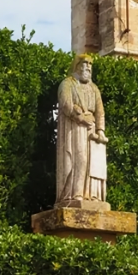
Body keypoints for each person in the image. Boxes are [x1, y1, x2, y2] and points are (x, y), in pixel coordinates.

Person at [56, 54, 108, 204]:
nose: (88, 68)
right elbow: (66, 104)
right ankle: (75, 193)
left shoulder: (94, 88)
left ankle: (91, 194)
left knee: (93, 163)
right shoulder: (67, 84)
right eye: (84, 64)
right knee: (79, 159)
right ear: (77, 66)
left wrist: (100, 131)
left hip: (91, 131)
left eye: (90, 65)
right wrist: (79, 117)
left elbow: (100, 111)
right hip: (75, 128)